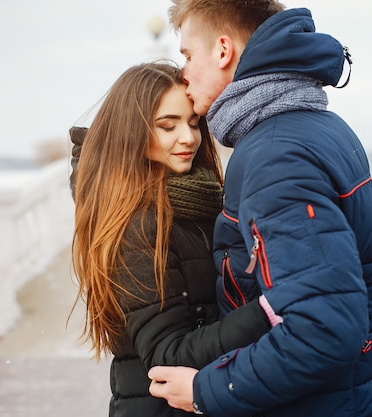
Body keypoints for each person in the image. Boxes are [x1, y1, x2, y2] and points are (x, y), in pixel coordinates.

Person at [148, 2, 372, 416]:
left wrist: (207, 388)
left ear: (223, 51)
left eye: (189, 55)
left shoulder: (274, 155)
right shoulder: (318, 126)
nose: (184, 72)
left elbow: (324, 328)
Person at [69, 62, 276, 417]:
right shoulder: (134, 223)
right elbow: (166, 355)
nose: (188, 137)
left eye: (193, 123)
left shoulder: (193, 198)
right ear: (130, 133)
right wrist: (267, 313)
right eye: (168, 126)